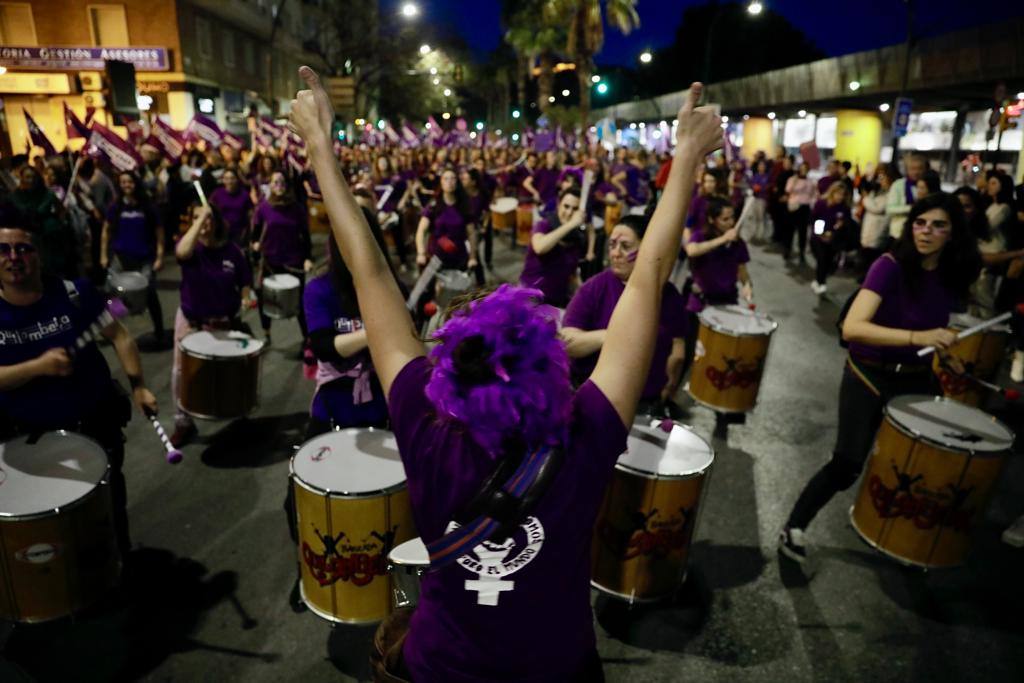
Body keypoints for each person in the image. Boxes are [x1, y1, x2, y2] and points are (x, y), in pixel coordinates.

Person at [287, 65, 721, 682]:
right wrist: (685, 158)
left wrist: (321, 151)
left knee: (397, 620)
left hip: (440, 667)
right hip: (558, 666)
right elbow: (648, 279)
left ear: (451, 376)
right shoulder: (587, 432)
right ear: (553, 369)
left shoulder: (423, 424)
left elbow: (372, 275)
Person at [778, 192, 982, 564]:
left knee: (923, 465)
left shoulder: (953, 274)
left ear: (952, 234)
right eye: (920, 222)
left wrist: (946, 356)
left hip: (918, 377)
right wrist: (918, 339)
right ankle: (794, 524)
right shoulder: (888, 265)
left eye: (938, 225)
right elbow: (855, 328)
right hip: (869, 373)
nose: (926, 231)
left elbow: (933, 327)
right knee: (847, 463)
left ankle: (901, 534)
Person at [0, 223, 158, 555]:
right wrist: (37, 368)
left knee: (108, 509)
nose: (13, 257)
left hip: (95, 428)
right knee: (51, 524)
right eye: (4, 249)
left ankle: (119, 566)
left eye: (23, 248)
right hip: (28, 440)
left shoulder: (75, 293)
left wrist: (139, 386)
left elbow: (120, 336)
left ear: (39, 256)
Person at [561, 213, 689, 417]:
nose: (615, 253)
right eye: (612, 245)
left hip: (645, 405)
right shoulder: (594, 288)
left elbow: (678, 350)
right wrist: (612, 335)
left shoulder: (668, 295)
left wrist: (668, 389)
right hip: (592, 402)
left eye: (625, 246)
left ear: (647, 250)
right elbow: (567, 342)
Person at [169, 203, 254, 447]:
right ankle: (182, 422)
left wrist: (247, 297)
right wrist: (199, 220)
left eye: (207, 218)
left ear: (216, 221)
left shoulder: (232, 252)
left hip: (223, 322)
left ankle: (239, 412)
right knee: (181, 373)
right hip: (190, 321)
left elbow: (245, 281)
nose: (203, 222)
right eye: (196, 218)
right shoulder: (192, 248)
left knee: (232, 371)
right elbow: (181, 252)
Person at [101, 171, 167, 344]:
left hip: (144, 258)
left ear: (136, 183)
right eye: (123, 182)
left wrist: (160, 257)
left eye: (129, 182)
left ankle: (159, 331)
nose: (126, 185)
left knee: (150, 293)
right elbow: (106, 231)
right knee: (111, 293)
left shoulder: (148, 206)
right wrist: (103, 255)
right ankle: (110, 330)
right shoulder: (116, 207)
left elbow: (159, 233)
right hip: (121, 258)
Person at [252, 170, 313, 343]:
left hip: (293, 261)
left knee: (300, 303)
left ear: (287, 186)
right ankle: (266, 334)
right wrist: (255, 243)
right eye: (275, 182)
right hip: (270, 261)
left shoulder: (297, 208)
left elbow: (305, 235)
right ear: (270, 186)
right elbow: (255, 234)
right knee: (265, 300)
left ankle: (307, 340)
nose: (279, 185)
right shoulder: (263, 208)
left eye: (282, 182)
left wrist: (308, 258)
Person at [519, 187, 590, 307]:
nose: (569, 213)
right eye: (566, 206)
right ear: (558, 205)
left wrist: (583, 294)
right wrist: (571, 224)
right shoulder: (543, 225)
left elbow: (572, 273)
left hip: (557, 300)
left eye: (575, 209)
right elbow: (540, 247)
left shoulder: (577, 237)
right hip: (532, 296)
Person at [415, 168, 478, 273]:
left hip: (458, 256)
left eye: (453, 178)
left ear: (457, 182)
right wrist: (421, 253)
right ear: (441, 182)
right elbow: (421, 231)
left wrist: (472, 257)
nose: (449, 182)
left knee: (459, 287)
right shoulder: (433, 205)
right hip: (436, 256)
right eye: (446, 179)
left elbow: (471, 234)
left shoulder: (464, 206)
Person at [808, 182, 852, 295]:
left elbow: (847, 222)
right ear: (832, 192)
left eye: (843, 194)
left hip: (834, 240)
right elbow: (813, 218)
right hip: (819, 238)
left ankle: (819, 280)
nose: (840, 197)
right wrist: (821, 234)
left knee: (829, 262)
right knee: (821, 259)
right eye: (838, 194)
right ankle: (821, 283)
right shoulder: (822, 203)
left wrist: (839, 227)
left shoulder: (844, 208)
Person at [859, 164, 897, 276]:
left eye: (882, 177)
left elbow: (877, 208)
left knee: (872, 262)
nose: (880, 181)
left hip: (878, 232)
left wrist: (865, 198)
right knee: (866, 259)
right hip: (870, 231)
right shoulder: (878, 191)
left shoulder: (892, 192)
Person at [209, 168, 254, 248]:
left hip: (239, 233)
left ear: (237, 179)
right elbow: (210, 211)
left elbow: (250, 215)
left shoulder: (244, 194)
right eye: (226, 178)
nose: (229, 181)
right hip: (221, 232)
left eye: (232, 178)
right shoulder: (217, 194)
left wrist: (248, 233)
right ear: (223, 180)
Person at [886, 152, 927, 240]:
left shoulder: (927, 185)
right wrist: (911, 208)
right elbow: (890, 209)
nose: (916, 172)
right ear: (907, 170)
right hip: (899, 233)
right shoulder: (899, 184)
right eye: (913, 169)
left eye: (920, 169)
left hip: (920, 234)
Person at [783, 161, 816, 263]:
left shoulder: (810, 181)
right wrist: (795, 181)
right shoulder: (793, 179)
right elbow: (788, 190)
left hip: (805, 207)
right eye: (801, 168)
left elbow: (813, 194)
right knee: (790, 230)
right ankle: (787, 249)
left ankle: (801, 252)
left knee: (803, 231)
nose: (803, 170)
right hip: (794, 207)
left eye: (805, 168)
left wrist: (812, 203)